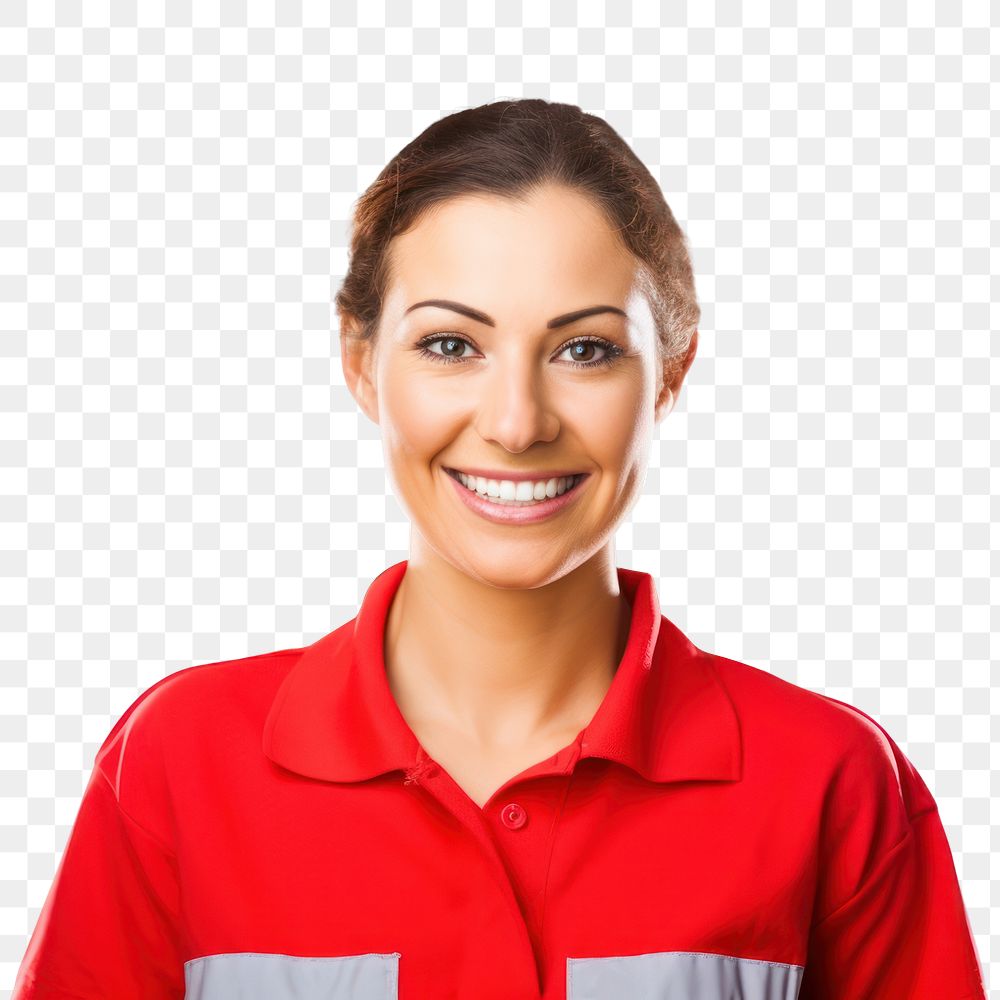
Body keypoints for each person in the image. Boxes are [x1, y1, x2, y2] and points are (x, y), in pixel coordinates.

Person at [13, 99, 986, 999]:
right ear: (360, 362)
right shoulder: (181, 765)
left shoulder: (828, 780)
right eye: (449, 345)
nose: (516, 423)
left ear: (672, 372)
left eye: (584, 349)